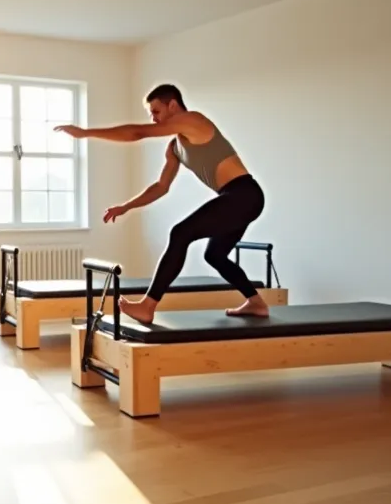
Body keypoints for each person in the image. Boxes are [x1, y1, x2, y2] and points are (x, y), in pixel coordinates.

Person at [54, 84, 267, 326]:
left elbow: (137, 133)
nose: (153, 118)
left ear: (173, 105)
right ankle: (256, 303)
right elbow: (161, 186)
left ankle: (147, 305)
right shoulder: (175, 147)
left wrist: (85, 133)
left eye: (156, 111)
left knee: (180, 233)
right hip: (237, 198)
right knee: (215, 255)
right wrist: (126, 206)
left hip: (243, 194)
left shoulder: (193, 120)